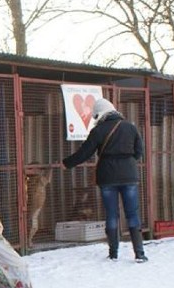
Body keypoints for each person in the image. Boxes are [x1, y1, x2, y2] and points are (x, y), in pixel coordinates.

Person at [62, 97, 148, 263]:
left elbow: (84, 153)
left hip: (107, 176)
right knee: (132, 213)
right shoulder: (130, 127)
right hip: (129, 175)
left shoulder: (98, 131)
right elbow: (139, 151)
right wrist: (129, 162)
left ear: (100, 114)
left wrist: (67, 163)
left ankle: (113, 253)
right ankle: (139, 253)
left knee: (111, 214)